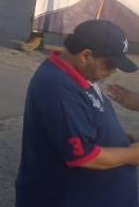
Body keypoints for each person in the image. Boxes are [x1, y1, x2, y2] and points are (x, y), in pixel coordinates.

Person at [15, 19, 139, 207]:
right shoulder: (59, 91)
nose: (113, 71)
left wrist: (121, 140)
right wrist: (132, 155)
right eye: (109, 64)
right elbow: (84, 157)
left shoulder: (78, 75)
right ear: (86, 55)